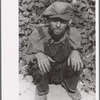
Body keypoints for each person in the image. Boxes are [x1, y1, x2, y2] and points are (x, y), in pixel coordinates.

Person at [21, 1, 83, 100]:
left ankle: (70, 87)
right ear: (48, 20)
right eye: (54, 20)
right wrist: (38, 55)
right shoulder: (38, 34)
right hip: (45, 72)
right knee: (38, 67)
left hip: (63, 71)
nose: (58, 25)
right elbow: (24, 56)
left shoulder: (73, 33)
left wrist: (76, 52)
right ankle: (42, 91)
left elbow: (80, 51)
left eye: (62, 21)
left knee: (78, 62)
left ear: (69, 22)